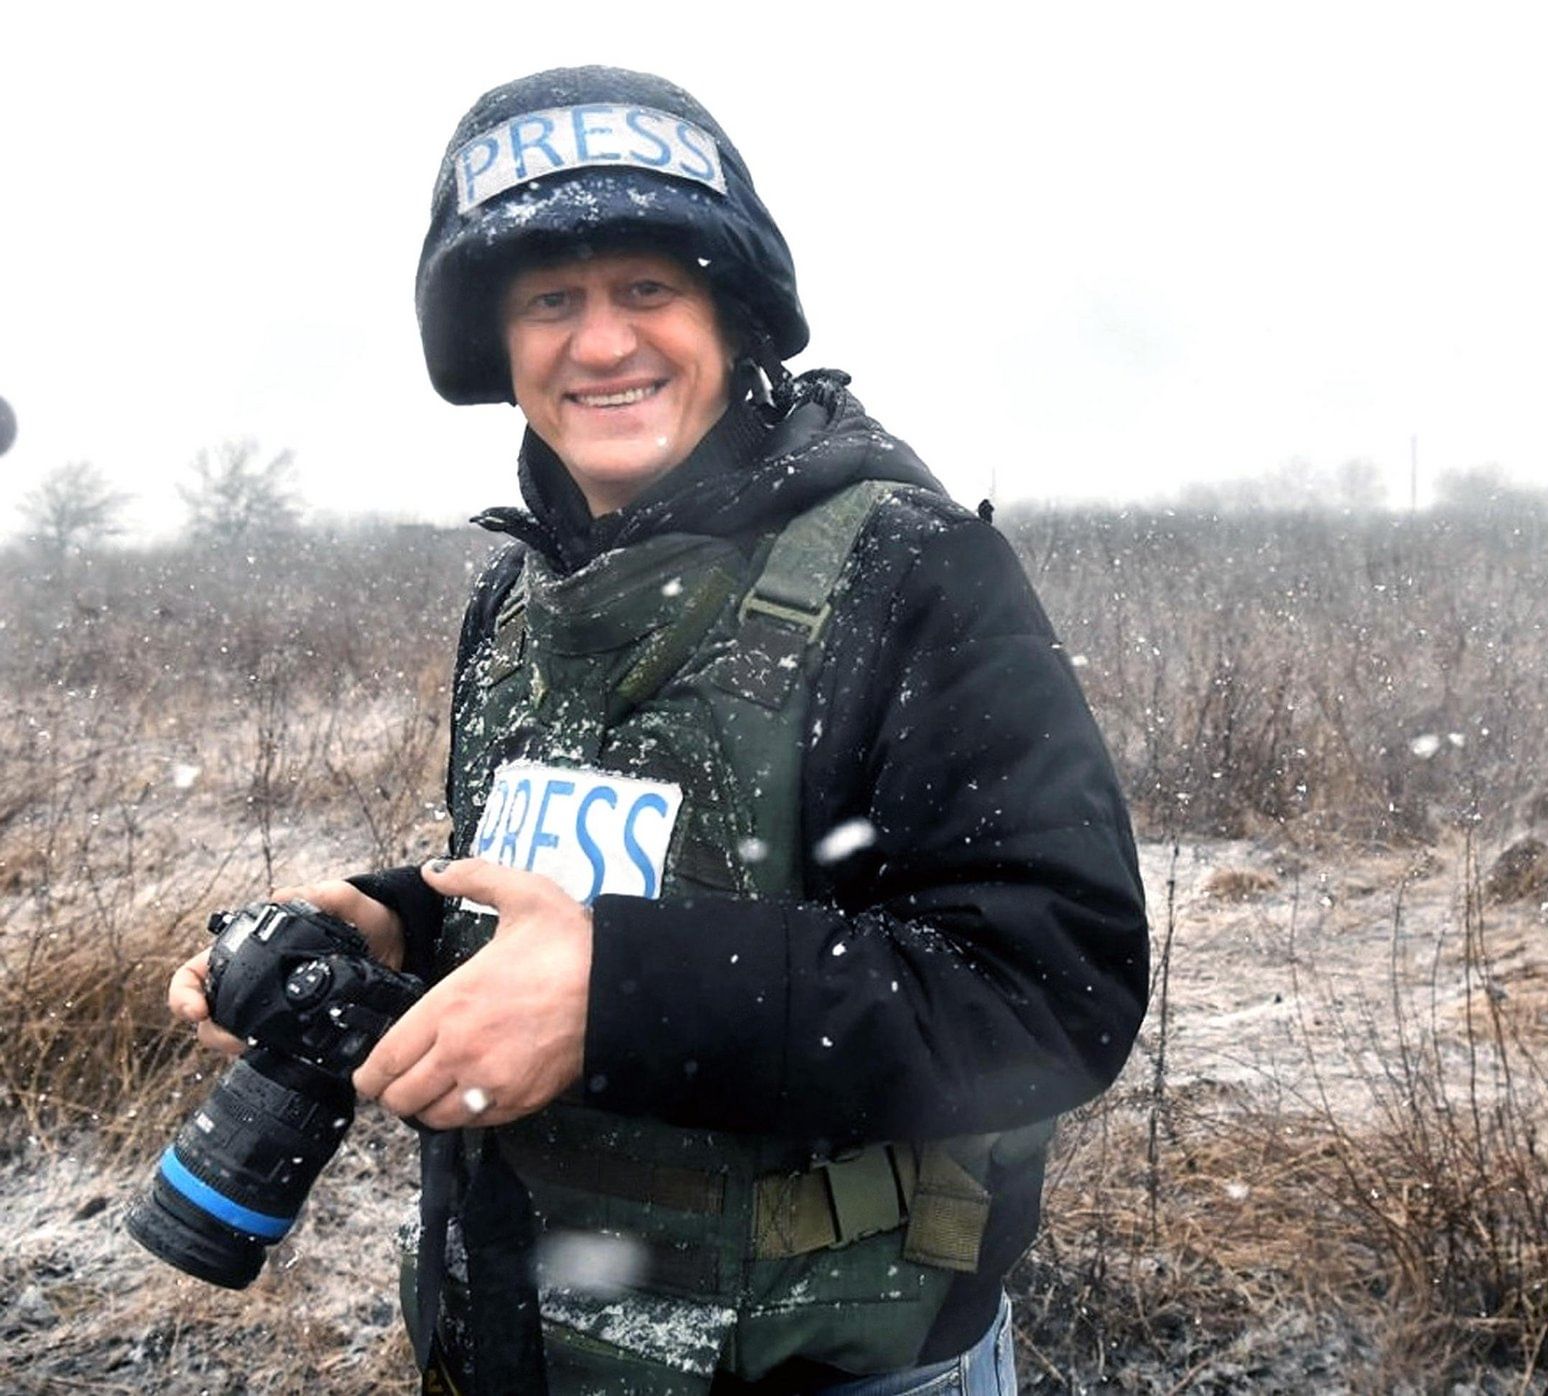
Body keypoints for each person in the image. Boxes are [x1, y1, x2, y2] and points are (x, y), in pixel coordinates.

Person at [169, 65, 1149, 1395]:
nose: (602, 344)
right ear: (497, 346)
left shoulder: (908, 572)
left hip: (826, 1364)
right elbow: (605, 872)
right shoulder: (518, 595)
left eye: (648, 290)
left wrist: (613, 1000)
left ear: (733, 317)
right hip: (519, 1336)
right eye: (550, 301)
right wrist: (393, 921)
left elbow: (1049, 987)